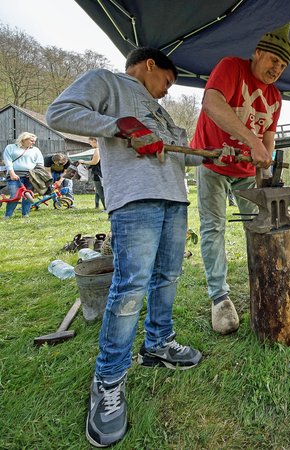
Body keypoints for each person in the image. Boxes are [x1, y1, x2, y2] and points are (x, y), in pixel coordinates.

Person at [46, 47, 203, 447]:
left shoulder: (162, 113)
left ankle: (158, 344)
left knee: (168, 276)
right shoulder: (108, 82)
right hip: (135, 198)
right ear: (150, 65)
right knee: (131, 285)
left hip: (175, 198)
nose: (167, 92)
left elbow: (180, 158)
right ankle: (109, 378)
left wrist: (211, 155)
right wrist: (121, 126)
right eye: (167, 82)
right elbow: (58, 113)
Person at [189, 22, 290, 335]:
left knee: (260, 228)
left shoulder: (275, 96)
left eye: (283, 65)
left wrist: (267, 169)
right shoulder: (231, 67)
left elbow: (269, 138)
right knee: (213, 227)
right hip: (212, 162)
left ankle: (261, 281)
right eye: (273, 60)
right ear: (258, 53)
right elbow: (212, 104)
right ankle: (219, 299)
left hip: (248, 172)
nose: (277, 68)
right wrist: (252, 140)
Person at [2, 132, 43, 219]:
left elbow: (40, 163)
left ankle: (25, 214)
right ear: (24, 139)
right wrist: (12, 173)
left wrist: (34, 174)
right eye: (32, 140)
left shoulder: (35, 150)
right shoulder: (11, 147)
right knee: (15, 196)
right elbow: (7, 160)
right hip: (14, 175)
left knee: (28, 195)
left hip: (30, 175)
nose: (33, 143)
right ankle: (7, 216)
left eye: (34, 141)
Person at [79, 137, 106, 210]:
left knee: (100, 191)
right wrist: (89, 167)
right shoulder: (103, 148)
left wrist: (83, 162)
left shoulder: (97, 149)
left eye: (90, 142)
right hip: (103, 172)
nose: (90, 144)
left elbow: (95, 161)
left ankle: (106, 208)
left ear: (94, 141)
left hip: (98, 173)